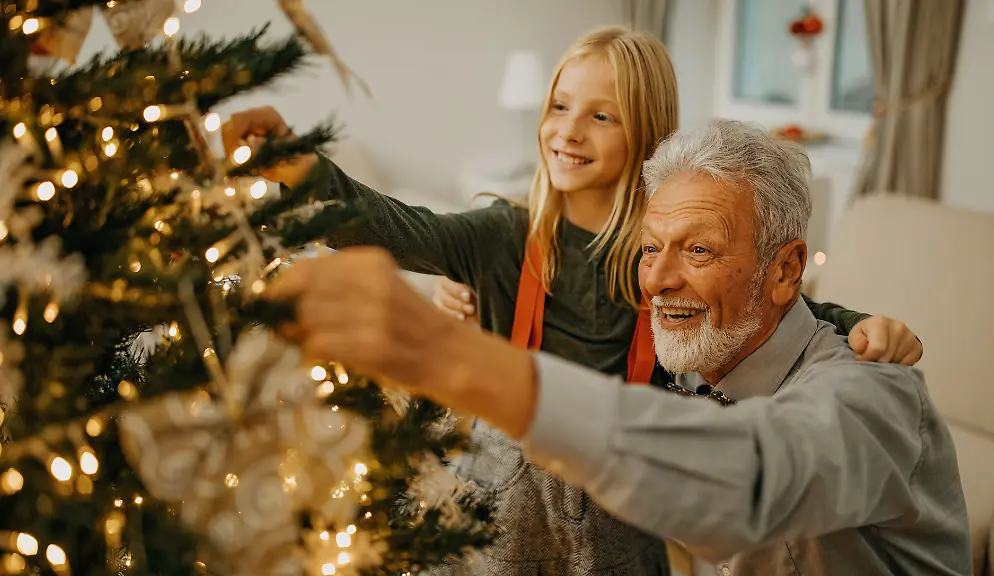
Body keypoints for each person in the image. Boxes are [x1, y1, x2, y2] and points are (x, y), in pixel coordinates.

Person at [226, 27, 921, 574]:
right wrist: (299, 163)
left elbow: (756, 304)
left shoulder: (657, 259)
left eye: (600, 116)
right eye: (560, 106)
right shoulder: (502, 236)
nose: (568, 130)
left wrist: (858, 325)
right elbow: (391, 224)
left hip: (624, 509)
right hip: (500, 506)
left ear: (645, 134)